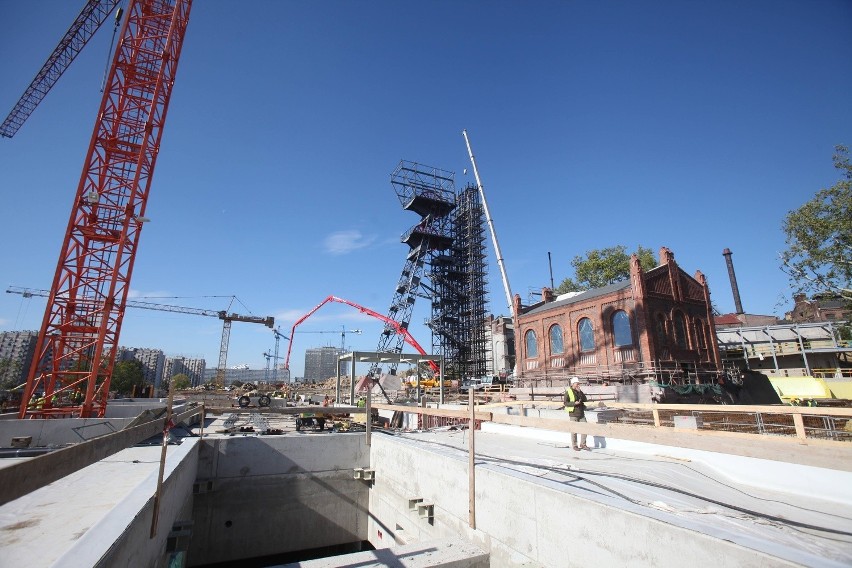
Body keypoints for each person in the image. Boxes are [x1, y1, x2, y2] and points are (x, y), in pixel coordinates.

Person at [564, 377, 590, 451]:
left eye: (578, 383)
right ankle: (575, 445)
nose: (578, 385)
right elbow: (565, 403)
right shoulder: (568, 392)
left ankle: (583, 444)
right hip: (573, 413)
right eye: (577, 383)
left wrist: (580, 392)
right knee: (574, 430)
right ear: (572, 384)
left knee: (585, 427)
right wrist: (574, 403)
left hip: (581, 413)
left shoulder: (579, 391)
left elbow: (585, 399)